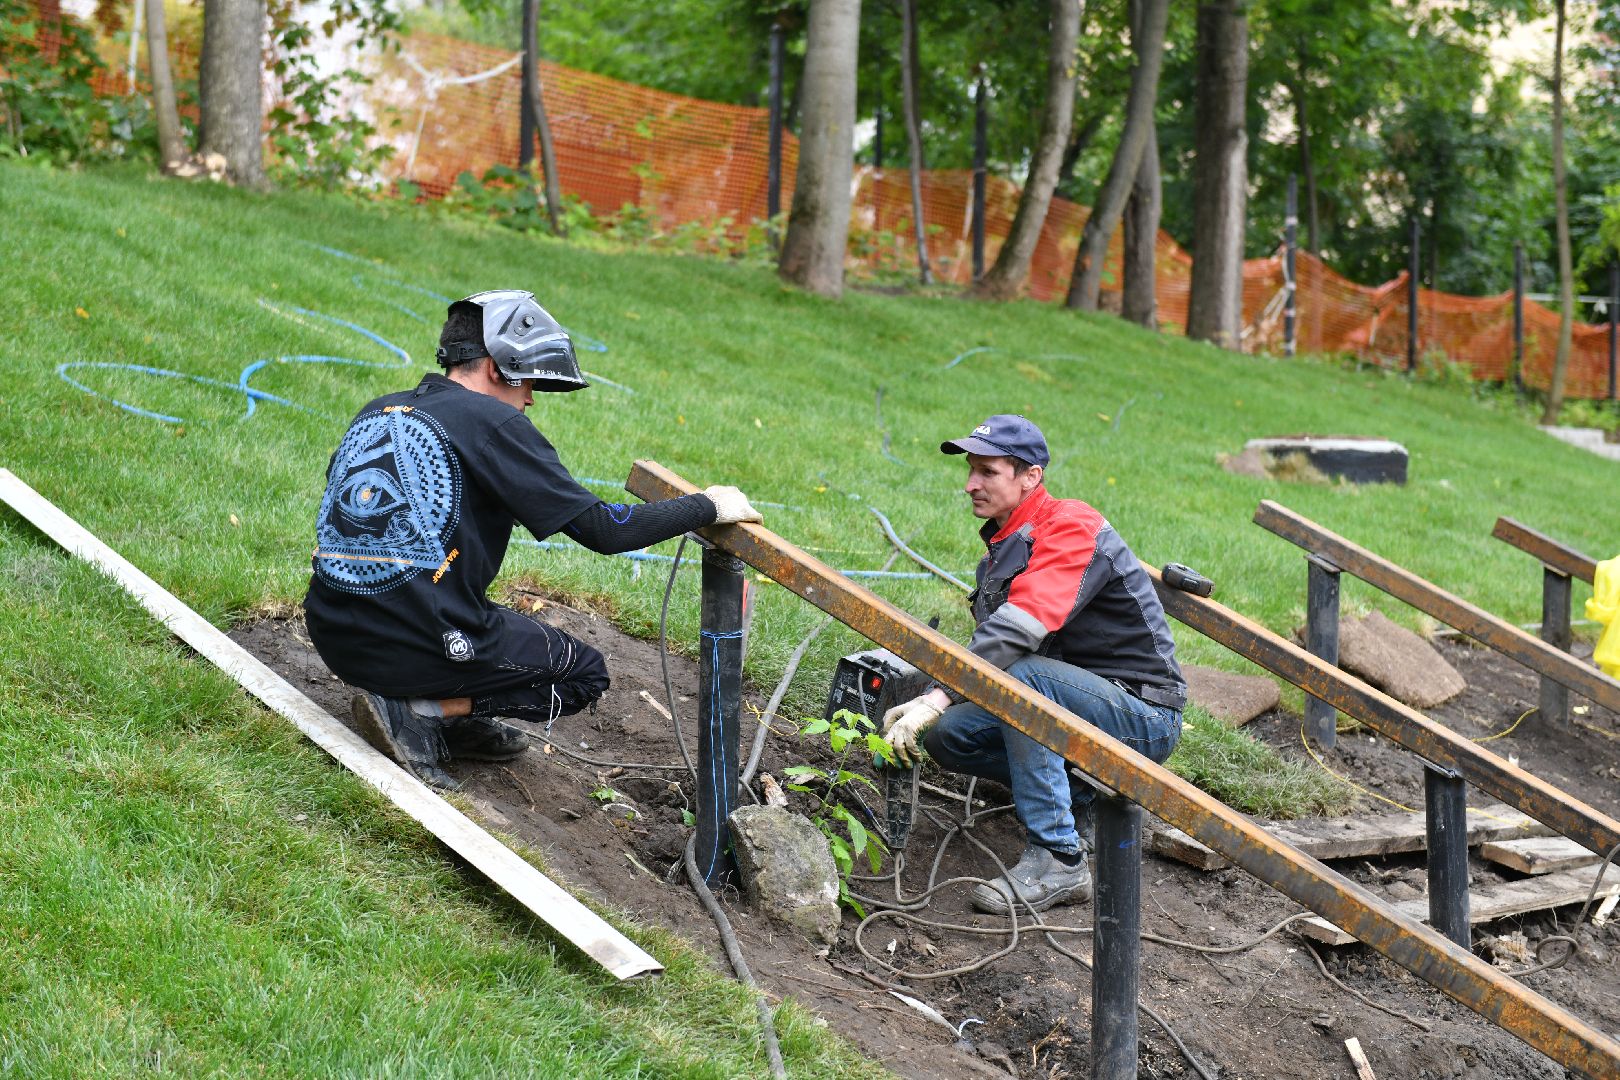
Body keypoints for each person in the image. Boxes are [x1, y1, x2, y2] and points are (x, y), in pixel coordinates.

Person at [304, 289, 761, 788]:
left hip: (333, 633)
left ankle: (448, 718)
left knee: (458, 605)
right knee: (584, 673)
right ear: (499, 369)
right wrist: (709, 505)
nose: (531, 398)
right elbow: (606, 531)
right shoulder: (493, 422)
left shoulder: (380, 410)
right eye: (529, 382)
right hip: (414, 647)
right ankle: (425, 711)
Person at [880, 414, 1184, 914]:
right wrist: (937, 706)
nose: (970, 484)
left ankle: (1058, 859)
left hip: (1141, 716)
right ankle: (1079, 799)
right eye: (970, 470)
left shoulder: (1070, 526)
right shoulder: (1005, 544)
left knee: (1019, 684)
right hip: (1070, 701)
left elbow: (1017, 634)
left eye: (987, 472)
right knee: (947, 735)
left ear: (1030, 477)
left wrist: (936, 694)